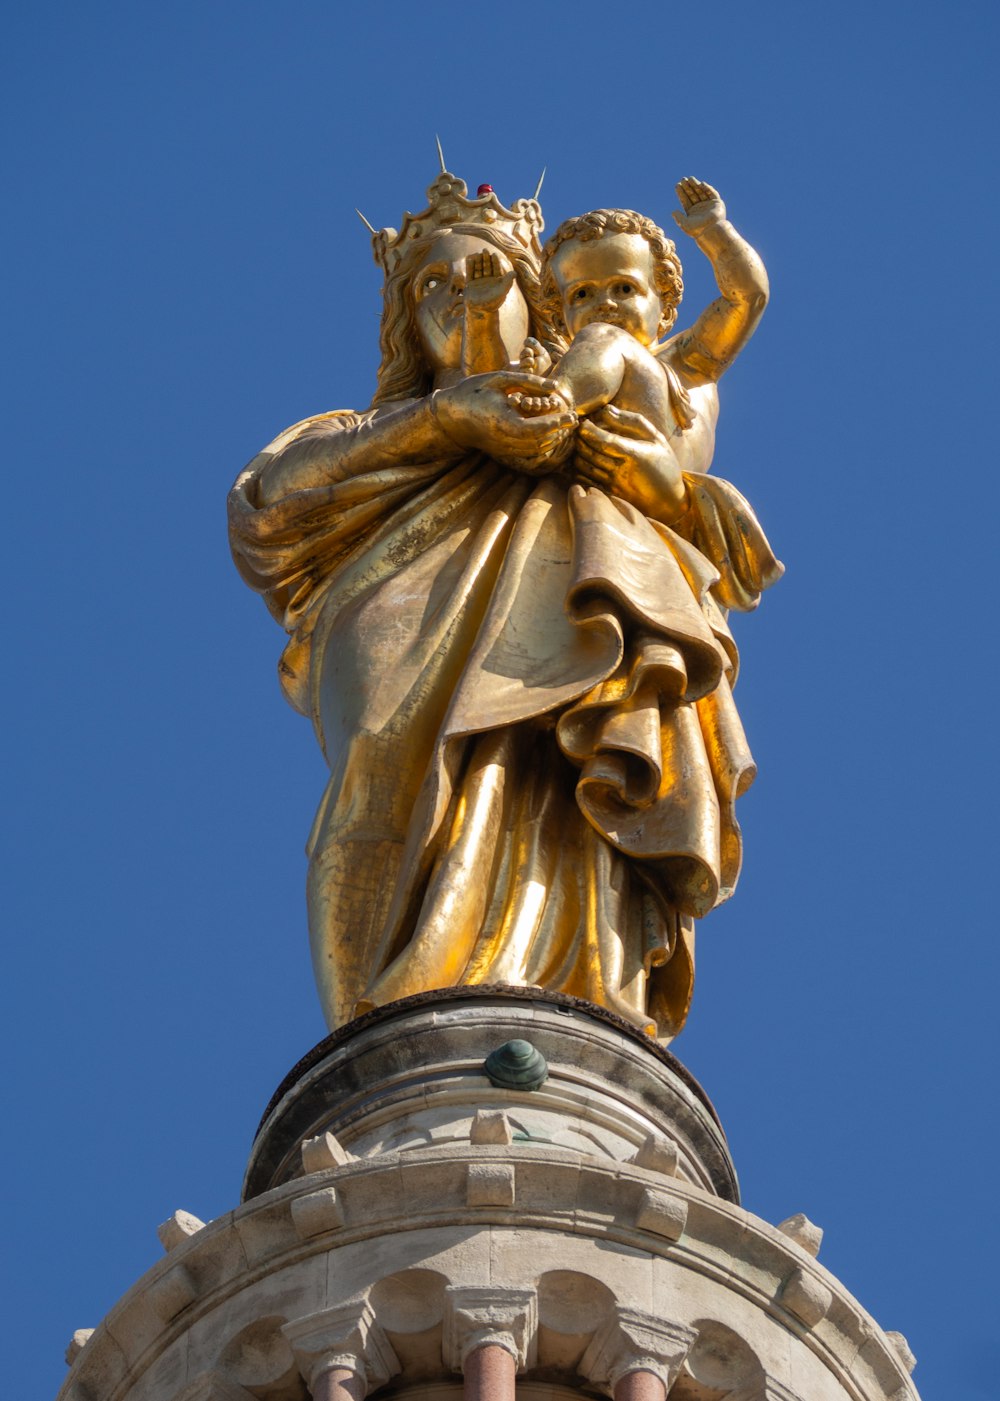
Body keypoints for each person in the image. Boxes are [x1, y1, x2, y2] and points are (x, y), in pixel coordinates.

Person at [228, 171, 781, 1041]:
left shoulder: (587, 394)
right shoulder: (359, 431)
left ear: (537, 303)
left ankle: (573, 1007)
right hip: (393, 596)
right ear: (406, 320)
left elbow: (682, 477)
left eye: (485, 275)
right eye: (433, 286)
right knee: (378, 758)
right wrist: (448, 423)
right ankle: (369, 1041)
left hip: (573, 589)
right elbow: (263, 504)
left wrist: (643, 475)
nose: (460, 298)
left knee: (565, 771)